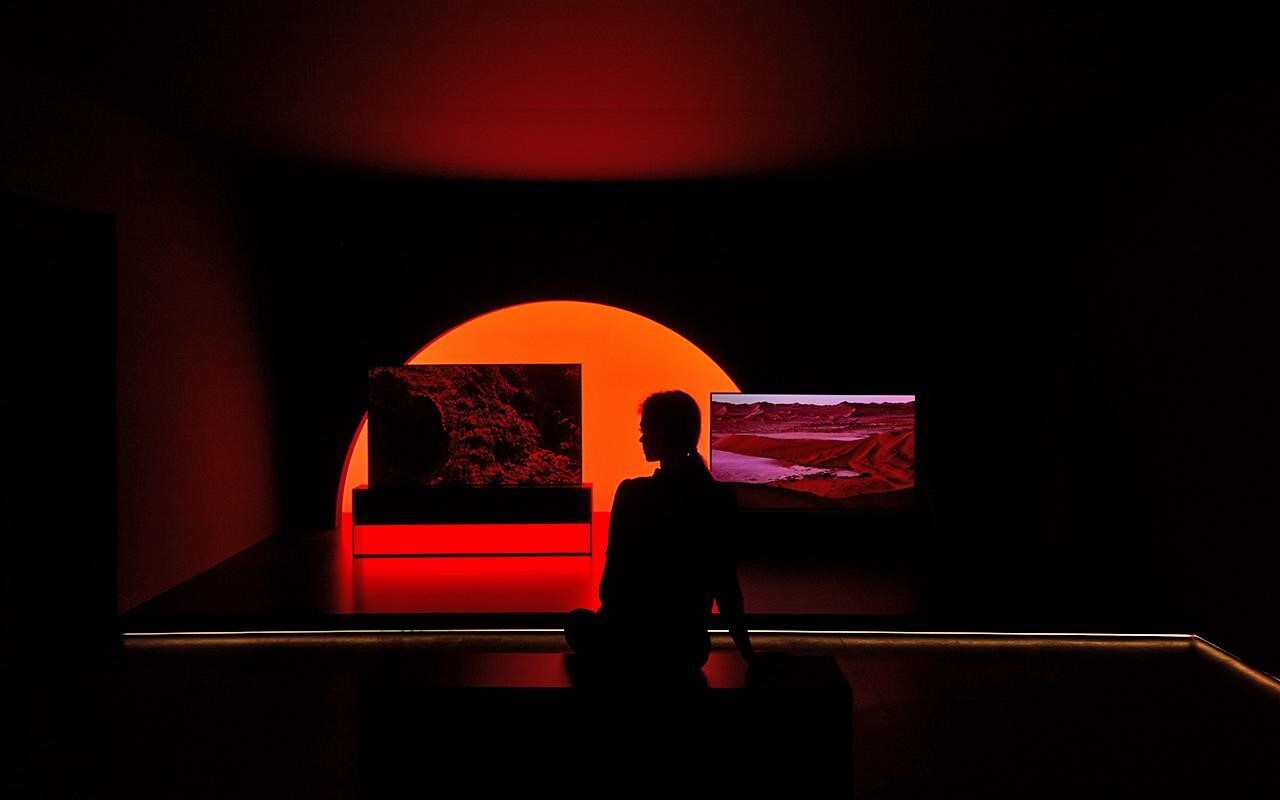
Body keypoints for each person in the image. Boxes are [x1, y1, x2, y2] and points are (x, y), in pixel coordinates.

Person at [565, 390, 754, 678]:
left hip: (629, 644)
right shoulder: (720, 496)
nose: (641, 439)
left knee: (577, 622)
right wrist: (749, 654)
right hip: (688, 651)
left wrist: (613, 629)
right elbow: (726, 585)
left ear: (664, 432)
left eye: (646, 431)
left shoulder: (632, 493)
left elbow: (613, 582)